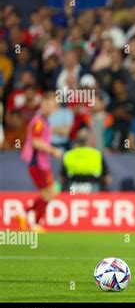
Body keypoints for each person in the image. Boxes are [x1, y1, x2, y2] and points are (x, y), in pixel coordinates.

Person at [14, 92, 63, 232]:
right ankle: (33, 221)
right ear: (43, 104)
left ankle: (25, 215)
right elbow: (35, 142)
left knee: (51, 193)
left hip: (43, 164)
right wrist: (54, 151)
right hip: (37, 164)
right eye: (51, 104)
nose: (53, 107)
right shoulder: (39, 121)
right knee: (48, 195)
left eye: (55, 105)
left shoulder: (44, 121)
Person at [60, 128, 111, 193]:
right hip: (94, 191)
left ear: (76, 140)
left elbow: (62, 178)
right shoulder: (97, 154)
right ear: (89, 140)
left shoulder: (68, 155)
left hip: (72, 190)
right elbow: (107, 178)